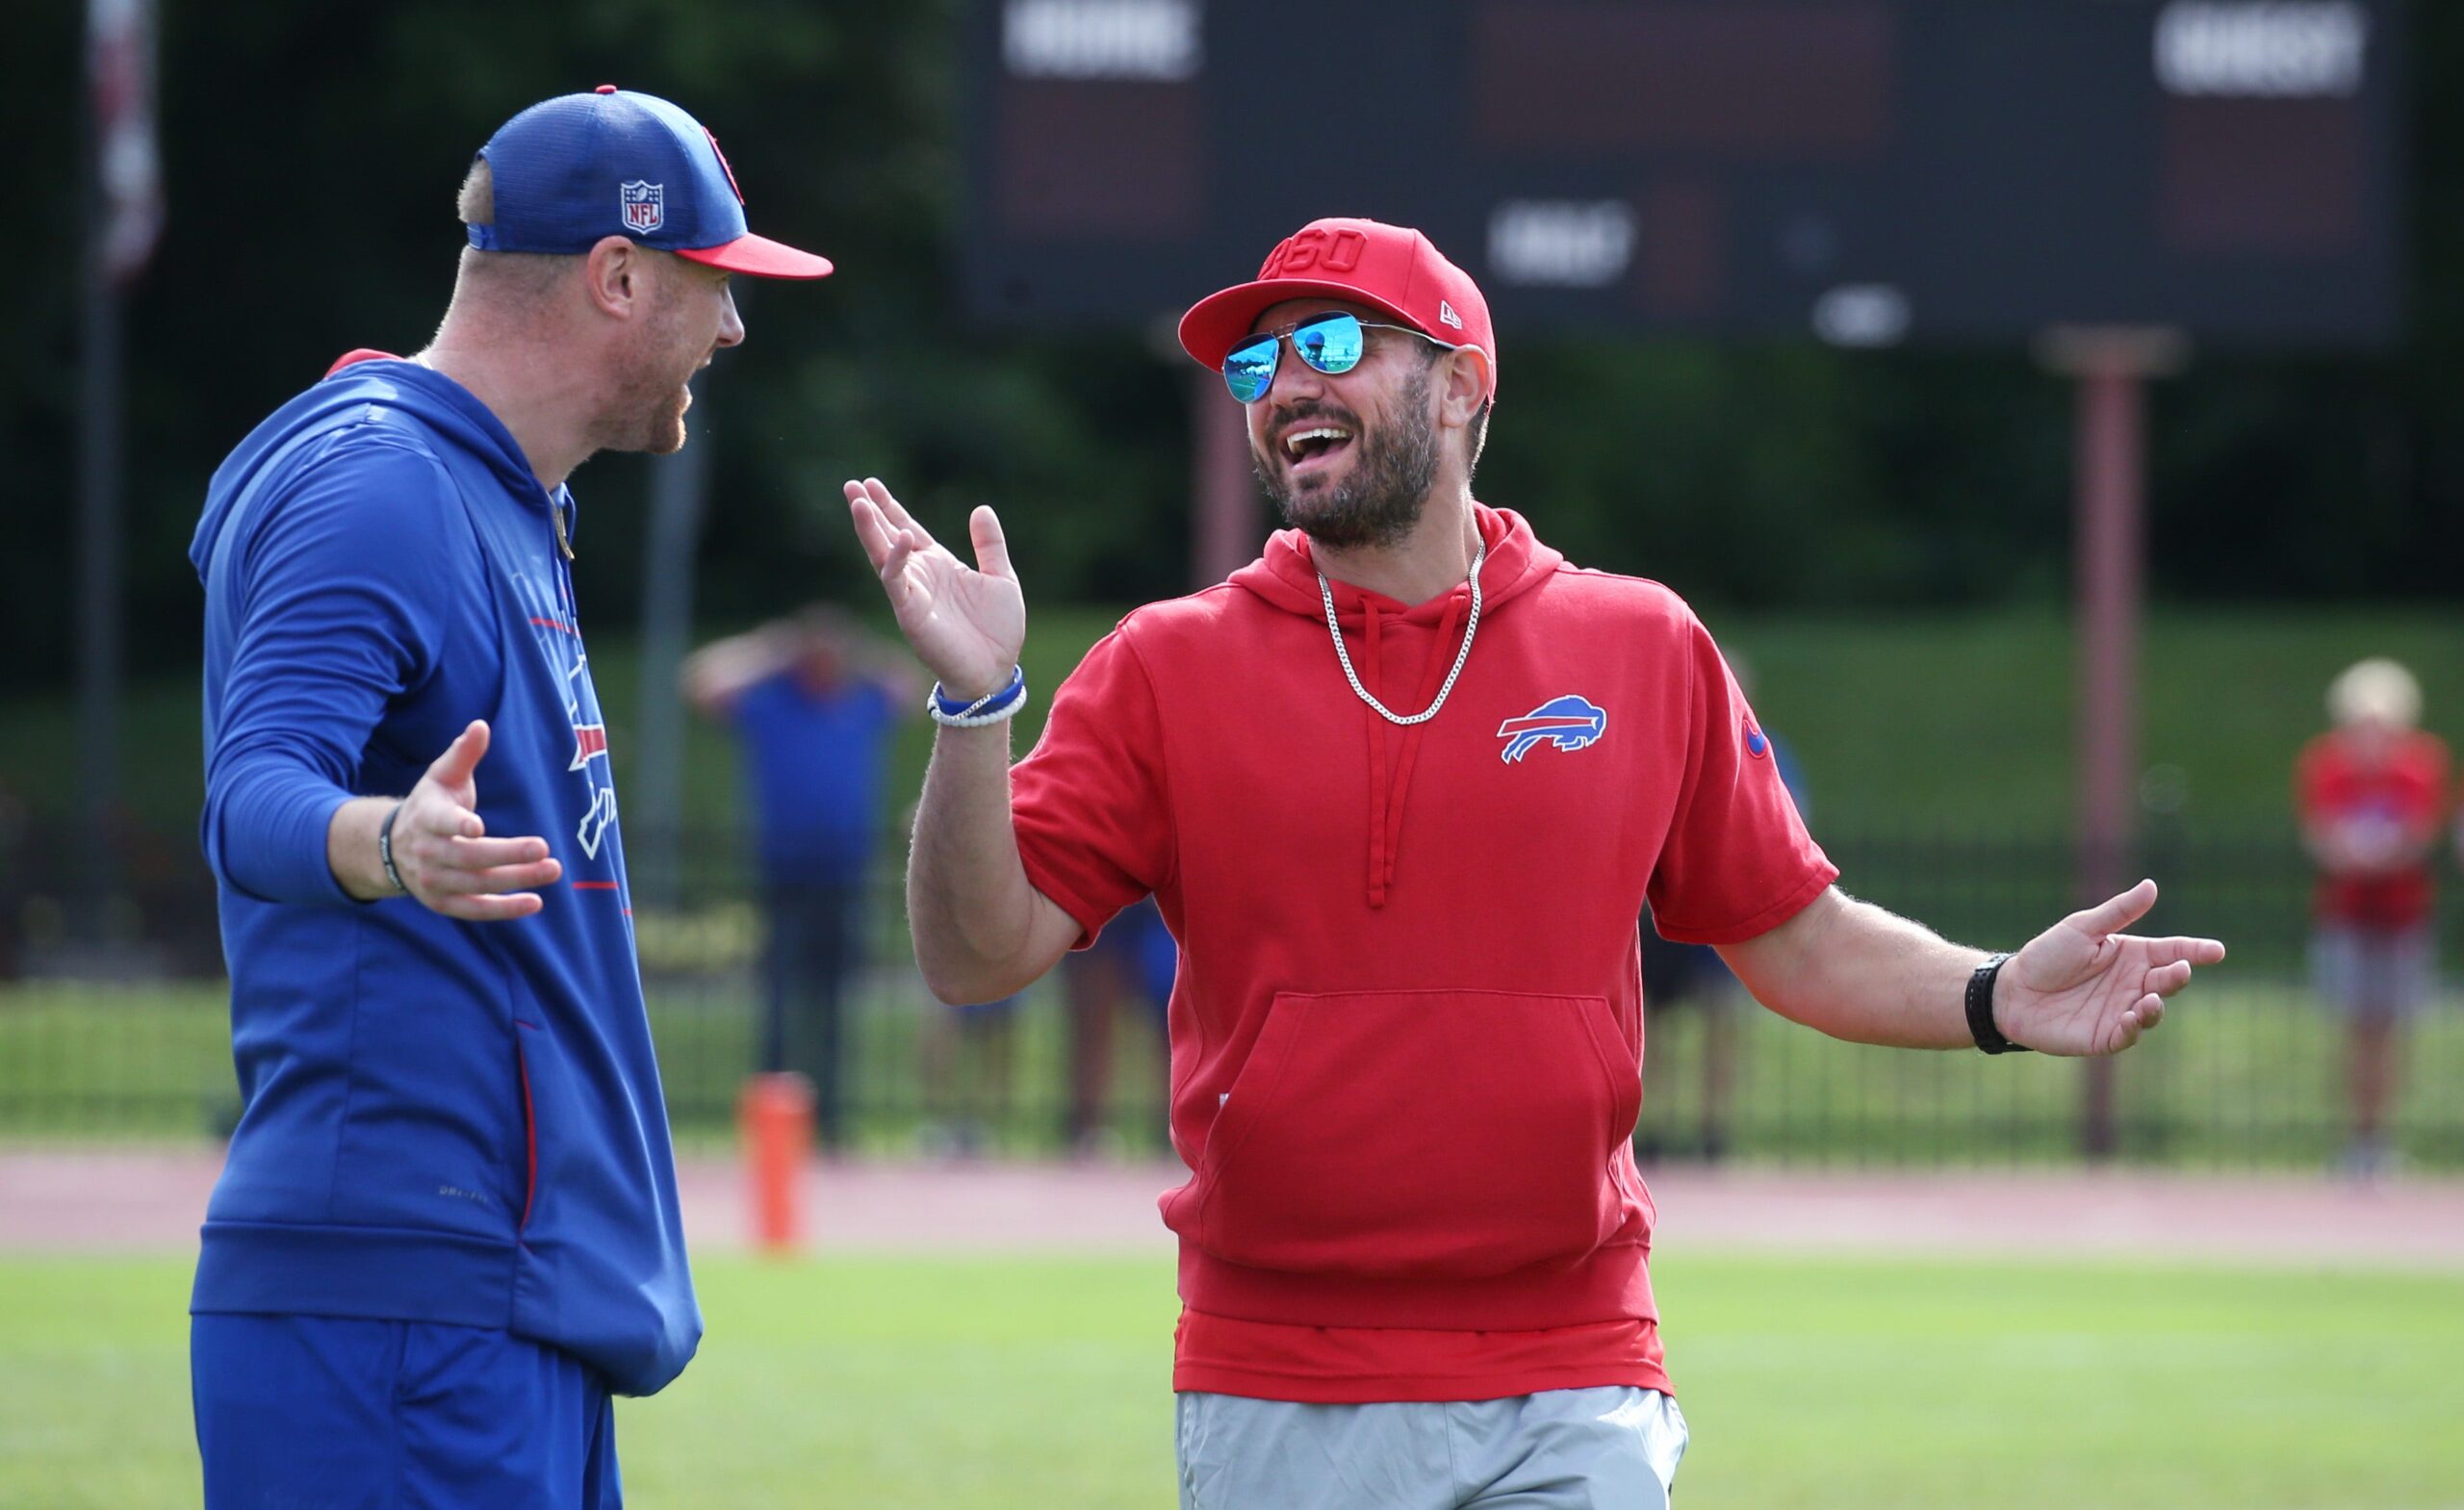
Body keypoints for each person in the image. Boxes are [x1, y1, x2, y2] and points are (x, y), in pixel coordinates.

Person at [845, 217, 2224, 1510]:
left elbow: (1793, 933)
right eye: (1259, 363)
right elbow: (977, 957)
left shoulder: (1641, 643)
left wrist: (1995, 995)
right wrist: (977, 711)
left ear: (1459, 387)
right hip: (1285, 1367)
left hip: (1578, 1355)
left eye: (1331, 347)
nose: (1280, 387)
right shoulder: (1163, 663)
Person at [188, 88, 832, 1507]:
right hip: (402, 1308)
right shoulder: (382, 483)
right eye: (715, 285)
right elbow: (251, 797)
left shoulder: (502, 495)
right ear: (618, 276)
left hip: (493, 1303)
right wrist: (387, 841)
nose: (732, 330)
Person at [682, 606, 917, 1148]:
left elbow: (909, 686)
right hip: (784, 872)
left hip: (844, 874)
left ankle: (832, 1120)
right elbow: (701, 681)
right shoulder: (772, 704)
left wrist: (856, 650)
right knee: (779, 1002)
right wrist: (774, 649)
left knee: (837, 1005)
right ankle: (773, 1124)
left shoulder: (859, 705)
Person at [2295, 657, 2450, 1180]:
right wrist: (2359, 854)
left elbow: (2420, 832)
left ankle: (2378, 1142)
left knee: (2391, 1034)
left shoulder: (2421, 764)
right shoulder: (2327, 764)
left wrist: (2378, 854)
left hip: (2402, 917)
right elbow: (2322, 833)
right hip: (2347, 917)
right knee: (2351, 1033)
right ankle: (2353, 1141)